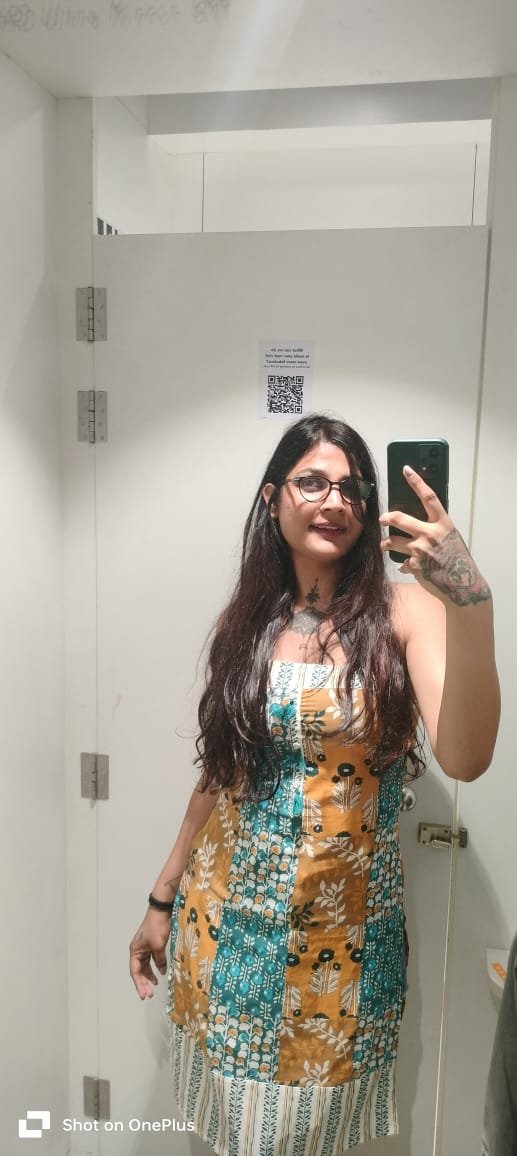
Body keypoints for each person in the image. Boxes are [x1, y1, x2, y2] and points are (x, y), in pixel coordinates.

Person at [129, 413, 500, 1155]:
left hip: (342, 943)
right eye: (313, 483)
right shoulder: (248, 621)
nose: (335, 501)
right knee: (237, 1132)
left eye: (353, 488)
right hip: (226, 927)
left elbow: (464, 758)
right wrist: (161, 898)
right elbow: (222, 770)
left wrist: (470, 600)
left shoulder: (405, 612)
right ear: (273, 499)